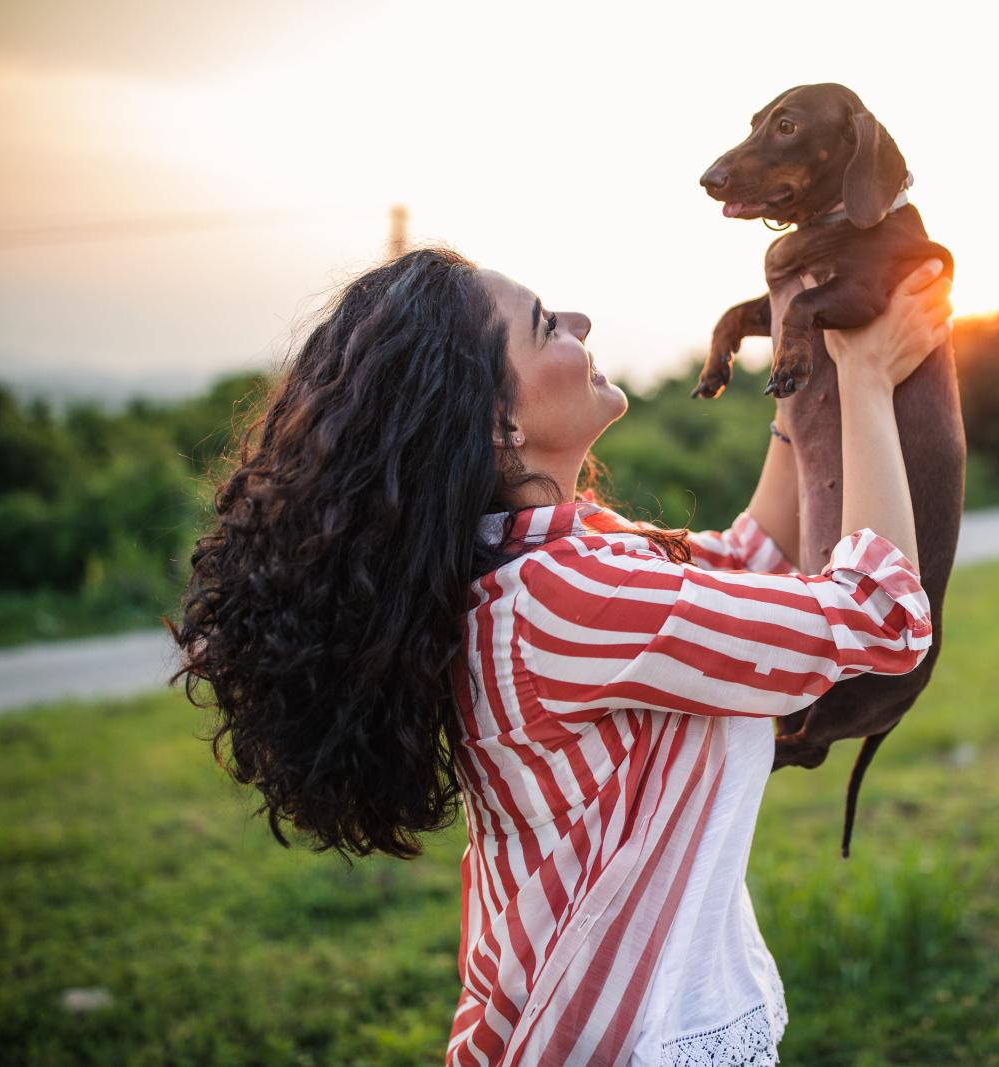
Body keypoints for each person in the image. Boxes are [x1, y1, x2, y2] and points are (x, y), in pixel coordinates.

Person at [167, 246, 951, 1067]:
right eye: (546, 325)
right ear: (498, 425)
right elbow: (885, 615)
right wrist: (866, 381)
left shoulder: (534, 569)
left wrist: (804, 375)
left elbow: (750, 557)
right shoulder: (564, 600)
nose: (580, 324)